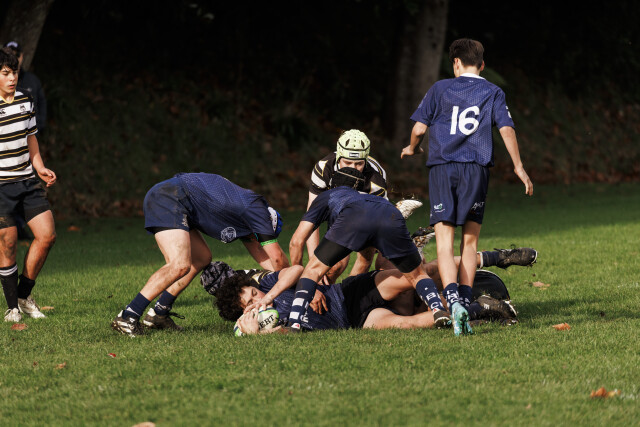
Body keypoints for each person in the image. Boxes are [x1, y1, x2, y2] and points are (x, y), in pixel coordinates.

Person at [400, 38, 533, 332]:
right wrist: (518, 166)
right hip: (476, 170)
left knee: (444, 242)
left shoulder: (440, 89)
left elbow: (419, 128)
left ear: (456, 63)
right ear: (482, 65)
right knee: (469, 242)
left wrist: (413, 148)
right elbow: (507, 128)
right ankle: (464, 296)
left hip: (443, 169)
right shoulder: (493, 92)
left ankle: (452, 300)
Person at [287, 167, 471, 335]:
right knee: (417, 275)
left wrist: (296, 275)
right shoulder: (373, 197)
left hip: (354, 217)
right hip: (390, 213)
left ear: (332, 185)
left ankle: (294, 324)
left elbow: (296, 241)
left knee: (312, 270)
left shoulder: (328, 195)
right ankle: (437, 309)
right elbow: (367, 255)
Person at [110, 172, 290, 337]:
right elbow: (276, 258)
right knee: (179, 265)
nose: (260, 242)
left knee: (201, 258)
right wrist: (293, 291)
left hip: (179, 200)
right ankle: (128, 315)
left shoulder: (248, 224)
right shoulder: (256, 211)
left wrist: (288, 282)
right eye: (264, 238)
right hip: (170, 197)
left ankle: (159, 313)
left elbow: (270, 263)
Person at [208, 252, 524, 334]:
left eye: (253, 292)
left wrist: (308, 287)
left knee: (415, 274)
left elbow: (295, 270)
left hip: (350, 292)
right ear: (243, 313)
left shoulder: (268, 287)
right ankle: (482, 308)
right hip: (355, 320)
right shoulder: (260, 325)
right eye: (250, 302)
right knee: (405, 324)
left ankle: (492, 257)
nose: (257, 299)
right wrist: (259, 333)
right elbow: (289, 337)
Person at [306, 129, 421, 282]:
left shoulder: (375, 179)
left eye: (359, 163)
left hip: (369, 213)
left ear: (365, 160)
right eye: (347, 162)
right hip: (338, 207)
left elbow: (367, 251)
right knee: (332, 266)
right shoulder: (323, 169)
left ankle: (347, 295)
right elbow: (311, 221)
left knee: (378, 264)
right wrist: (314, 266)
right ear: (338, 157)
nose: (353, 168)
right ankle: (324, 294)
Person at [0, 48, 57, 322]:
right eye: (5, 73)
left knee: (47, 235)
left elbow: (31, 137)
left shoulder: (25, 99)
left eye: (15, 73)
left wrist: (40, 167)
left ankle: (23, 296)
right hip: (1, 187)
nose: (12, 78)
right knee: (8, 243)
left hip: (27, 181)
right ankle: (12, 307)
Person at [3, 42, 46, 132]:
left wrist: (40, 123)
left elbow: (42, 101)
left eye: (17, 55)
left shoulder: (32, 80)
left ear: (22, 56)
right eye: (9, 55)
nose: (14, 58)